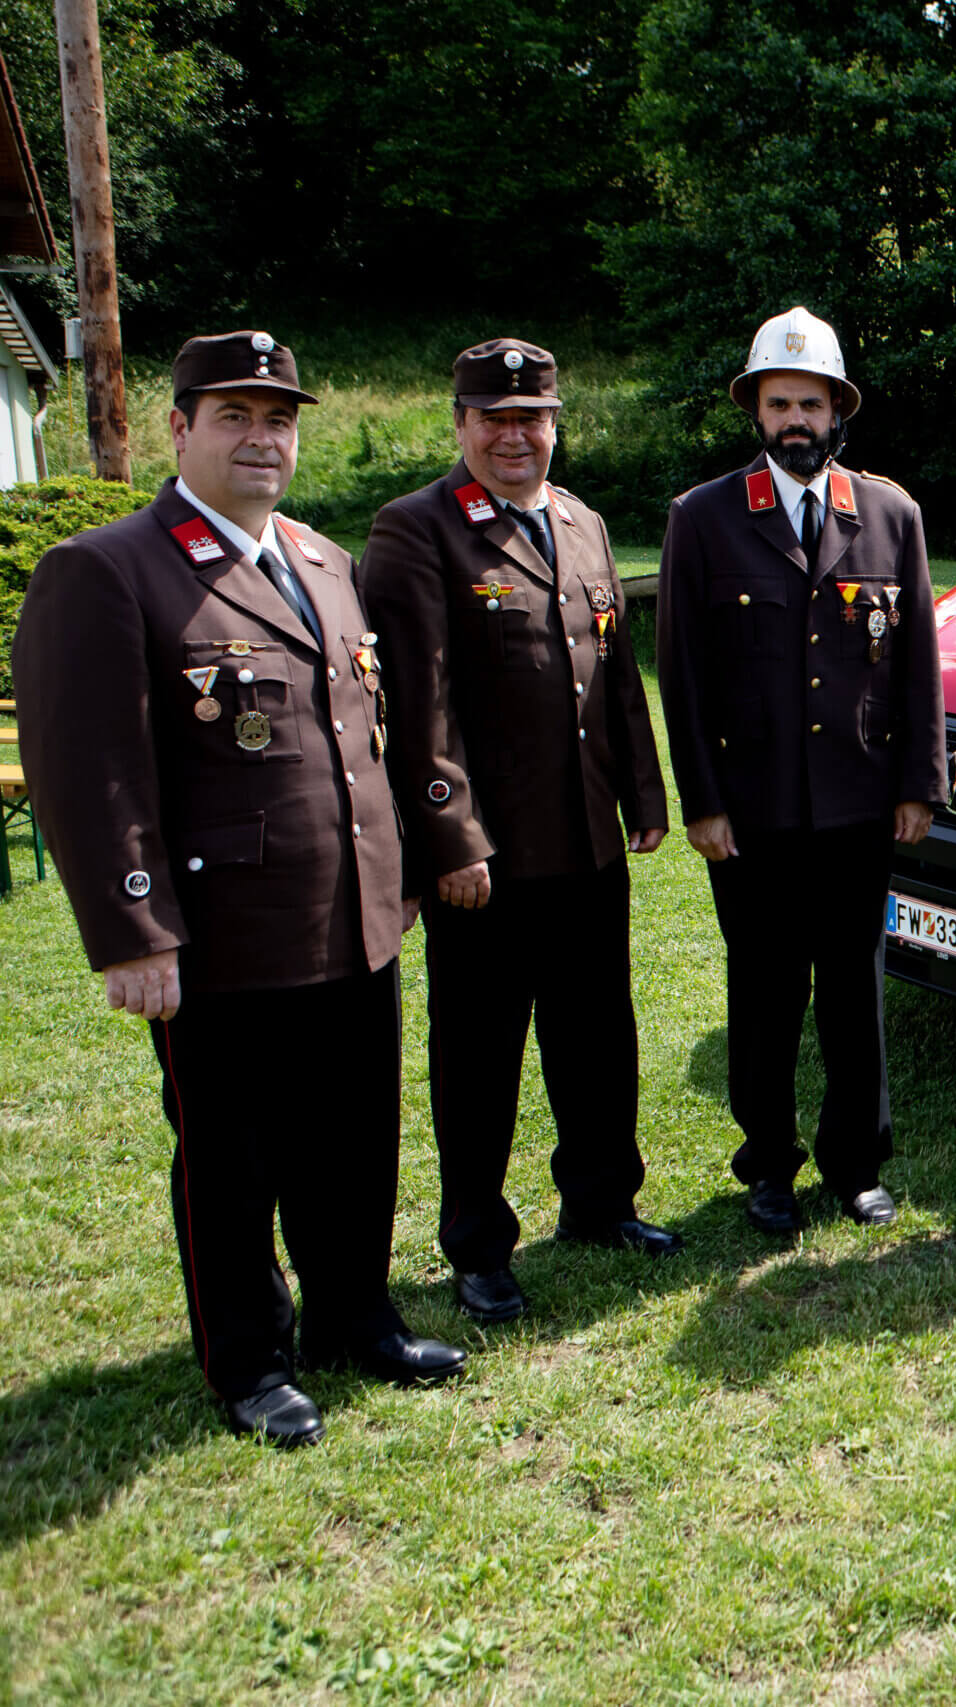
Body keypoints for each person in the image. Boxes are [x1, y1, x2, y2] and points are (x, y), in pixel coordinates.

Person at [11, 331, 463, 1447]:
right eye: (234, 417)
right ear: (178, 428)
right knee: (233, 1154)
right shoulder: (113, 568)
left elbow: (359, 736)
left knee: (355, 1136)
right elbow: (91, 767)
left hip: (351, 915)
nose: (262, 439)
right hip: (222, 936)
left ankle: (356, 1316)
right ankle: (250, 1359)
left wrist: (396, 870)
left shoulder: (319, 560)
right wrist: (134, 930)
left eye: (279, 419)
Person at [363, 338, 678, 1326]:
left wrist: (644, 792)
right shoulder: (417, 530)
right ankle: (477, 1244)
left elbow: (616, 675)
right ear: (460, 425)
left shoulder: (581, 523)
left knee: (597, 1034)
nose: (514, 434)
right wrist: (451, 840)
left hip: (584, 838)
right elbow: (420, 703)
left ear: (555, 422)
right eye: (493, 418)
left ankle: (600, 1203)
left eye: (532, 416)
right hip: (489, 861)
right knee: (481, 1055)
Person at [656, 306, 946, 1234]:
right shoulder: (702, 519)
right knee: (766, 994)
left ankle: (856, 1162)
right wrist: (701, 801)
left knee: (856, 996)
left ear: (837, 411)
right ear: (756, 410)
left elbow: (918, 666)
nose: (796, 421)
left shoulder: (890, 513)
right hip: (754, 811)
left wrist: (918, 783)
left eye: (811, 404)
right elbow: (683, 674)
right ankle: (770, 1166)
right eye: (779, 402)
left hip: (862, 807)